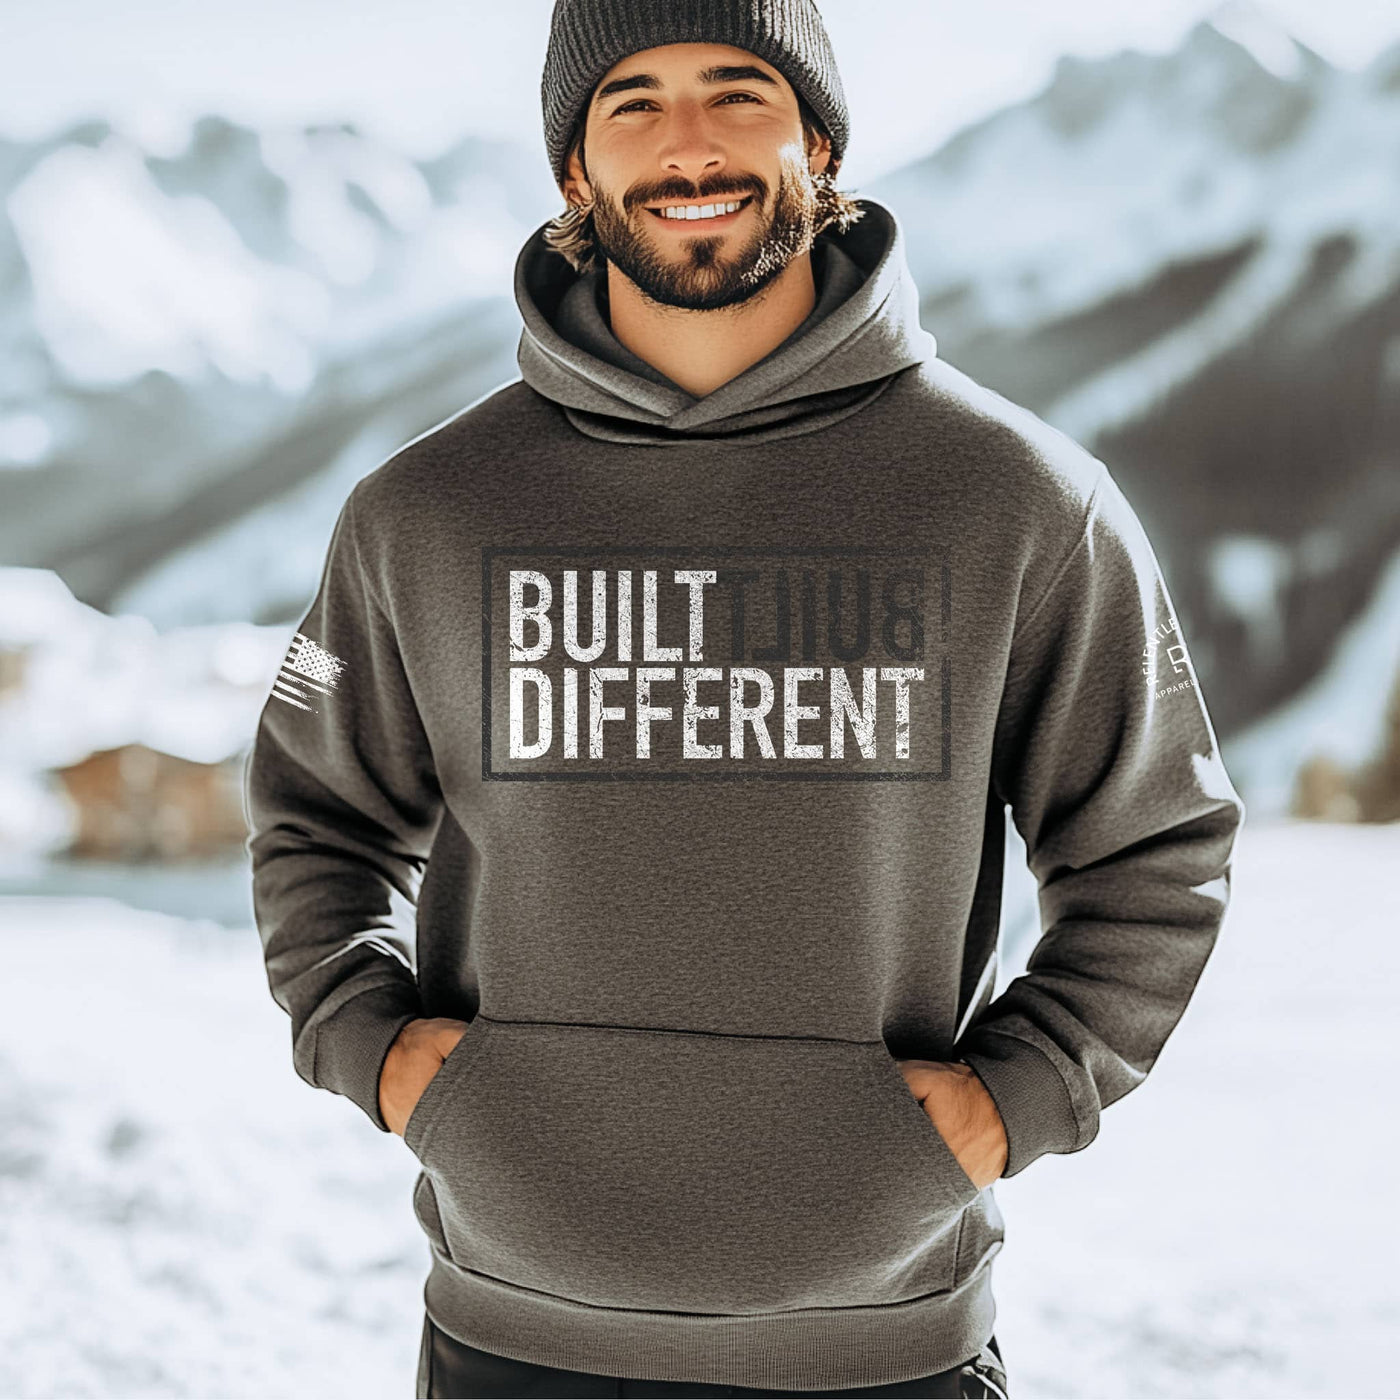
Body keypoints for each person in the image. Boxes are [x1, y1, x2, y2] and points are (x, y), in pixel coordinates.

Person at [243, 2, 1245, 1397]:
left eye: (738, 91)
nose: (691, 145)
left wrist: (1017, 1095)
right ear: (574, 169)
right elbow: (316, 816)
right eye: (634, 104)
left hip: (884, 1349)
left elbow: (1156, 846)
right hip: (513, 1340)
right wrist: (379, 1049)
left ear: (817, 142)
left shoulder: (1018, 500)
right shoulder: (425, 510)